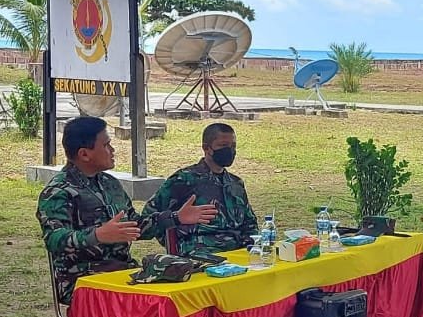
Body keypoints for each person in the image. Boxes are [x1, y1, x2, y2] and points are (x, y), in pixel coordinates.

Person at [36, 117, 218, 304]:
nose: (112, 150)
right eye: (106, 145)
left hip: (122, 271)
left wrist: (176, 217)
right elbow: (54, 239)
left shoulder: (109, 184)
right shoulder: (58, 192)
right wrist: (97, 235)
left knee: (182, 293)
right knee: (154, 307)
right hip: (82, 281)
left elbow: (136, 227)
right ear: (84, 154)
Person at [142, 122, 258, 256]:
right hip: (199, 254)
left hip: (237, 252)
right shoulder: (183, 179)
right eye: (223, 146)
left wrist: (253, 246)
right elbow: (148, 218)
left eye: (233, 146)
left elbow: (250, 223)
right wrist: (176, 221)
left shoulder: (235, 183)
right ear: (207, 148)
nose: (230, 151)